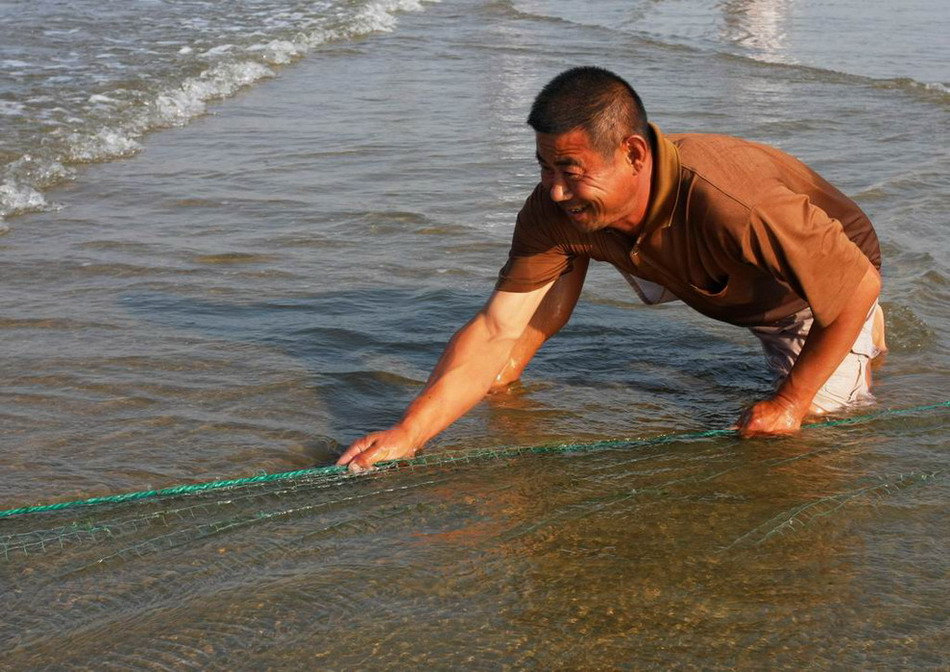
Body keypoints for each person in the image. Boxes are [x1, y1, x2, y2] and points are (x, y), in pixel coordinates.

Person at [337, 66, 886, 473]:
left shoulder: (733, 202)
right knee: (570, 238)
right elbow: (494, 327)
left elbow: (858, 282)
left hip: (810, 289)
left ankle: (865, 342)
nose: (554, 188)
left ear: (635, 155)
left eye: (571, 170)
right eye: (545, 167)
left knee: (811, 428)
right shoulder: (560, 204)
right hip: (682, 258)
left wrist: (788, 404)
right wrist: (410, 432)